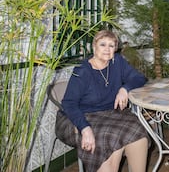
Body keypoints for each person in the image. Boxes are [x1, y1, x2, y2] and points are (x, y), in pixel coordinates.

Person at [56, 30, 148, 172]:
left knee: (137, 132)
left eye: (111, 45)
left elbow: (139, 78)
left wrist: (124, 89)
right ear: (94, 47)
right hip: (79, 116)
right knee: (108, 139)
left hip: (110, 113)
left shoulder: (117, 62)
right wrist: (85, 128)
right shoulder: (82, 70)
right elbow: (69, 103)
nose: (107, 49)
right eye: (103, 44)